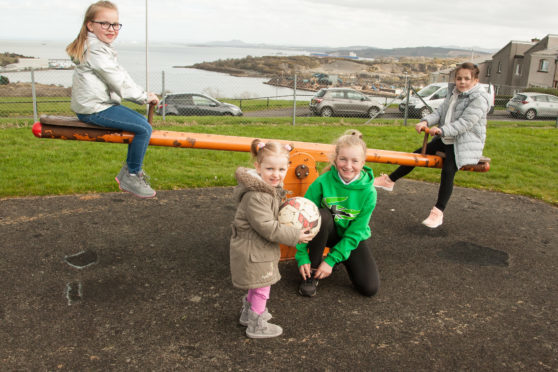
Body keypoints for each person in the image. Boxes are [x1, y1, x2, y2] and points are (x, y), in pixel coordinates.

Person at [374, 62, 490, 228]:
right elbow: (440, 112)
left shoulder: (478, 99)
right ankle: (390, 180)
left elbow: (465, 123)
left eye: (466, 79)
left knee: (448, 170)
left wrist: (441, 130)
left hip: (463, 143)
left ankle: (438, 211)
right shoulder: (454, 93)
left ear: (475, 81)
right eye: (459, 78)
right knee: (417, 154)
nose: (462, 82)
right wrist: (426, 121)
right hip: (447, 138)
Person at [66, 1, 160, 198]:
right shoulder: (96, 50)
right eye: (105, 24)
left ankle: (129, 170)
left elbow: (121, 75)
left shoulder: (99, 47)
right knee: (144, 129)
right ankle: (132, 175)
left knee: (141, 123)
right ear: (90, 25)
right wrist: (143, 98)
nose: (112, 29)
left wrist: (144, 94)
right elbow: (116, 81)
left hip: (98, 104)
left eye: (115, 24)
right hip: (94, 108)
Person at [230, 139, 315, 339]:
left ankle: (249, 313)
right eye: (270, 169)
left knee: (257, 283)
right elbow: (267, 227)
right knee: (262, 285)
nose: (276, 174)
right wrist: (295, 235)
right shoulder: (258, 196)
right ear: (257, 167)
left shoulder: (267, 190)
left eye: (281, 169)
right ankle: (256, 324)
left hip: (256, 248)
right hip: (254, 251)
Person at [296, 130, 380, 298]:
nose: (348, 166)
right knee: (321, 215)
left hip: (349, 236)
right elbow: (303, 217)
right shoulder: (322, 181)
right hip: (326, 231)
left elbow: (356, 232)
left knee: (369, 288)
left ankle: (339, 257)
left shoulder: (369, 192)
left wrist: (331, 260)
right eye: (343, 159)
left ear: (363, 163)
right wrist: (301, 255)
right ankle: (311, 273)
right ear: (335, 159)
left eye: (355, 161)